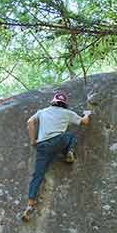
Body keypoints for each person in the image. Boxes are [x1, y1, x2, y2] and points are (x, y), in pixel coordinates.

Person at [21, 91, 93, 222]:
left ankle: (30, 205)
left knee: (38, 175)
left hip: (42, 146)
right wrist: (87, 113)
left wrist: (33, 140)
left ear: (53, 102)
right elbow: (85, 122)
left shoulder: (42, 112)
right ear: (64, 104)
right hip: (58, 141)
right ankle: (68, 152)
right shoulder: (67, 113)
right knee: (70, 136)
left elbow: (30, 122)